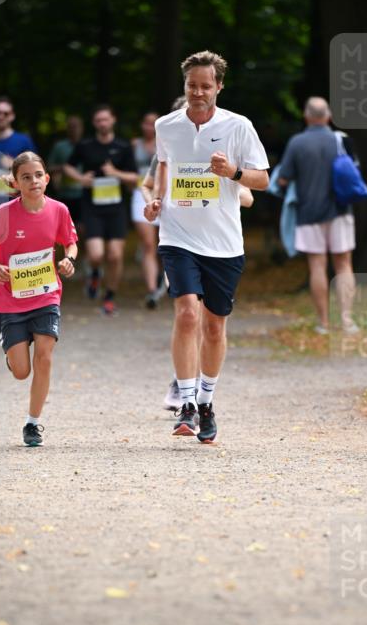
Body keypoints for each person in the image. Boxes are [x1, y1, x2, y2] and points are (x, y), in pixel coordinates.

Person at [145, 50, 269, 442]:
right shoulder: (167, 126)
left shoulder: (238, 126)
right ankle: (185, 402)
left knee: (214, 328)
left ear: (218, 86)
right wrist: (157, 201)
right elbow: (165, 168)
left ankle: (206, 401)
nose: (197, 92)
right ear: (184, 85)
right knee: (186, 314)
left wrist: (232, 171)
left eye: (205, 86)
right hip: (178, 236)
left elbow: (263, 180)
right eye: (191, 85)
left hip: (223, 242)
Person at [0, 152, 78, 446]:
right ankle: (13, 355)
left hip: (46, 294)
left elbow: (70, 242)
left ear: (47, 179)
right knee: (22, 372)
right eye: (26, 177)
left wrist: (69, 259)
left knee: (44, 357)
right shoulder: (4, 213)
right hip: (10, 299)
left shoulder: (59, 210)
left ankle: (32, 424)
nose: (33, 181)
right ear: (17, 183)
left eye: (38, 175)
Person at [276, 97, 359, 336]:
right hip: (340, 210)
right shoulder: (341, 140)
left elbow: (283, 179)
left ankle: (323, 323)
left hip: (308, 213)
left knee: (317, 266)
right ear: (328, 116)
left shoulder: (297, 143)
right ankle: (346, 321)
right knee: (344, 265)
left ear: (306, 116)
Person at [64, 104, 138, 315]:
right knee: (96, 255)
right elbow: (68, 166)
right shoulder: (86, 145)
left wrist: (116, 173)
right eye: (98, 120)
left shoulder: (123, 146)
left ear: (113, 120)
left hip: (116, 208)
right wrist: (81, 178)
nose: (102, 123)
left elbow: (135, 177)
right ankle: (95, 273)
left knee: (115, 256)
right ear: (94, 123)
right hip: (92, 207)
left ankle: (109, 297)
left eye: (105, 119)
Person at [131, 111, 165, 308]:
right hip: (140, 194)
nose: (149, 127)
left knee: (164, 244)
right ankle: (152, 291)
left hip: (164, 194)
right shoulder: (134, 145)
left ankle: (162, 277)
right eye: (146, 123)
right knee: (148, 244)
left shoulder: (168, 143)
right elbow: (127, 168)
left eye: (154, 123)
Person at [47, 114, 84, 231]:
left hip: (83, 194)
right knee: (66, 227)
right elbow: (48, 168)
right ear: (67, 129)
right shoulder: (59, 147)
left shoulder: (87, 145)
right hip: (65, 194)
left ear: (82, 128)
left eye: (77, 126)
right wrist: (62, 168)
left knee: (82, 227)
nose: (74, 129)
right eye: (71, 126)